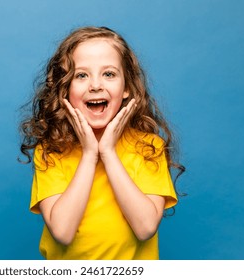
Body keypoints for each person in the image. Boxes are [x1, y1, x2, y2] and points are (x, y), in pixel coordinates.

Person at [19, 26, 185, 260]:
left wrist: (107, 152)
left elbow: (146, 227)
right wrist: (89, 154)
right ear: (64, 89)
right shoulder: (51, 151)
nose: (95, 85)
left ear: (127, 87)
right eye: (81, 75)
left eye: (108, 74)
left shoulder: (149, 147)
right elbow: (63, 232)